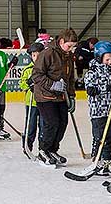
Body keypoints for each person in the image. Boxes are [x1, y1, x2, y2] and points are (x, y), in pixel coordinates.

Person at [31, 28, 77, 165]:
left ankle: (52, 149)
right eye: (69, 46)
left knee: (63, 123)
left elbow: (70, 79)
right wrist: (52, 85)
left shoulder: (68, 57)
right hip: (45, 96)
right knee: (52, 123)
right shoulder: (48, 53)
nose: (71, 49)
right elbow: (36, 75)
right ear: (61, 41)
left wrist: (72, 96)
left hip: (61, 97)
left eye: (73, 47)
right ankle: (43, 150)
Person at [84, 41, 111, 174]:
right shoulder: (92, 72)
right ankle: (97, 160)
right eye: (107, 59)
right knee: (99, 136)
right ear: (99, 57)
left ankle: (107, 159)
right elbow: (90, 90)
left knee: (110, 137)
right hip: (98, 110)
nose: (110, 61)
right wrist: (107, 88)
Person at [19, 42, 45, 158]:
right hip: (32, 103)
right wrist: (28, 84)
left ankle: (43, 148)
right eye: (34, 55)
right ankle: (27, 146)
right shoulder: (27, 70)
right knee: (31, 126)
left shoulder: (46, 69)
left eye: (39, 55)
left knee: (44, 126)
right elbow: (22, 84)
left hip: (44, 102)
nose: (36, 58)